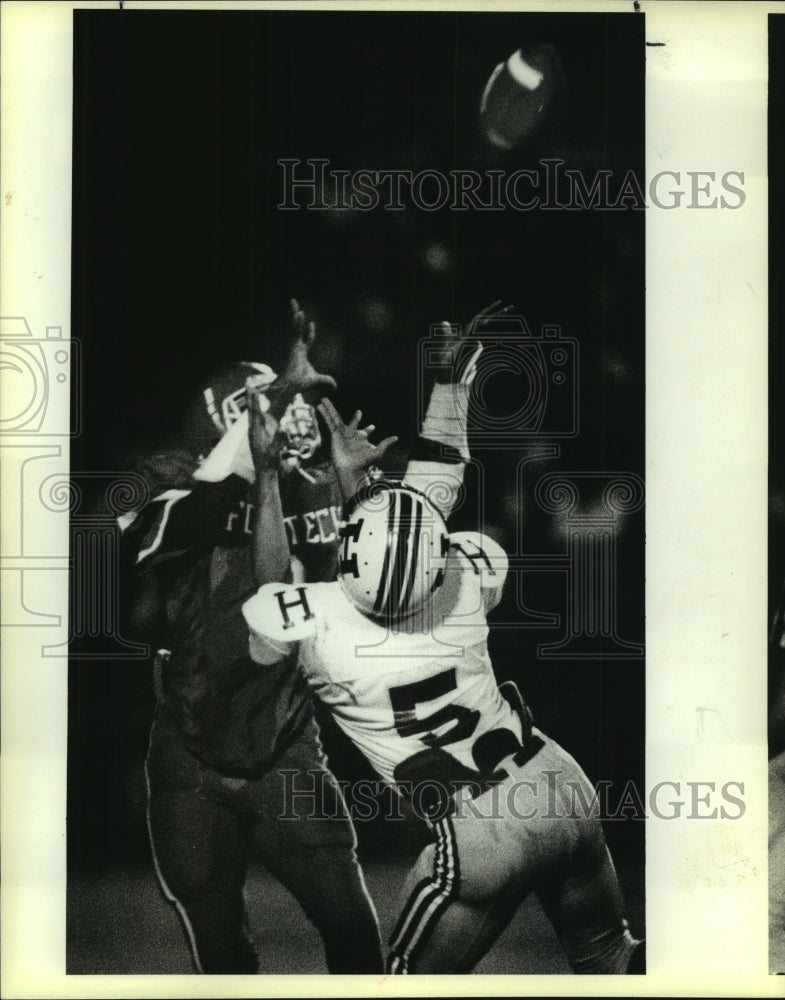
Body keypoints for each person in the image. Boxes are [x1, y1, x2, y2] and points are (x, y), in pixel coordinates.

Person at [240, 323, 645, 975]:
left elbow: (270, 591)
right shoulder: (465, 574)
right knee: (612, 957)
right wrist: (450, 383)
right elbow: (433, 488)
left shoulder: (321, 625)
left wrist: (265, 475)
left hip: (481, 831)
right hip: (557, 784)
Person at [118, 301, 387, 974]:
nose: (294, 421)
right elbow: (197, 509)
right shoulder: (172, 481)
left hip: (284, 744)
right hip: (191, 752)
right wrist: (276, 408)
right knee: (223, 960)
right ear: (232, 417)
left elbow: (341, 592)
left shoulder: (310, 486)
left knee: (357, 942)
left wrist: (357, 501)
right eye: (272, 408)